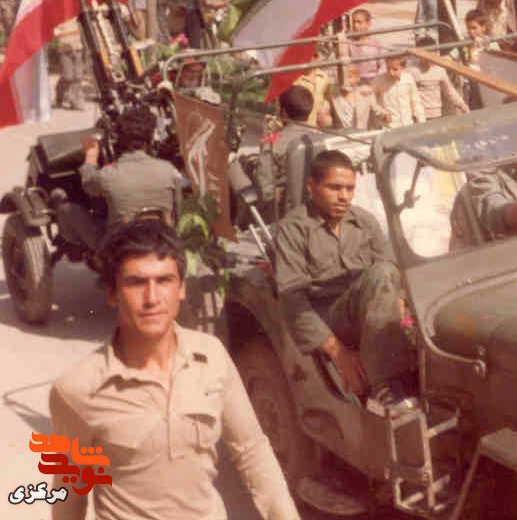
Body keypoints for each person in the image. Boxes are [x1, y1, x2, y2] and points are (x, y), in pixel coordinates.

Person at [49, 220, 299, 520]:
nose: (152, 298)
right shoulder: (77, 389)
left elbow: (252, 452)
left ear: (181, 288)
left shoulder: (211, 356)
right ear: (112, 293)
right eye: (136, 283)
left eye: (164, 280)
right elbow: (69, 495)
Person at [273, 149, 415, 404]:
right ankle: (384, 385)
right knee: (382, 274)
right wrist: (337, 352)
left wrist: (402, 307)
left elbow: (393, 268)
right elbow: (293, 300)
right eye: (335, 187)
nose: (344, 196)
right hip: (327, 319)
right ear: (311, 187)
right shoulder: (293, 230)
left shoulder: (364, 221)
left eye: (350, 188)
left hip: (370, 311)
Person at [62, 107, 184, 250]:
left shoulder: (107, 174)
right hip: (162, 243)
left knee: (68, 209)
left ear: (119, 140)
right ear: (151, 139)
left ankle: (79, 252)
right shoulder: (169, 170)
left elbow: (88, 185)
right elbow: (177, 213)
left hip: (119, 248)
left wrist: (91, 156)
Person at [254, 84, 317, 213]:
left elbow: (266, 191)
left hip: (286, 211)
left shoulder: (272, 142)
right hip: (317, 205)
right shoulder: (320, 136)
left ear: (284, 113)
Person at [408, 37, 468, 119]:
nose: (430, 58)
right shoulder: (413, 71)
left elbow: (449, 91)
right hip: (420, 114)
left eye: (433, 54)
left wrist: (462, 105)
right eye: (426, 55)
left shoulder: (439, 70)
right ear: (419, 55)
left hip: (436, 113)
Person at [370, 53, 426, 128]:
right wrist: (381, 112)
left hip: (407, 123)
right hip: (389, 126)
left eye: (395, 69)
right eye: (388, 68)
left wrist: (422, 122)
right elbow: (370, 98)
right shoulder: (379, 80)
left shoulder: (408, 78)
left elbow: (416, 101)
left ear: (403, 67)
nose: (391, 73)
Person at [54, 18, 85, 110]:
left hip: (77, 48)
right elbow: (55, 33)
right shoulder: (58, 17)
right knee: (67, 77)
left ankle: (75, 102)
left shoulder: (76, 16)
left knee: (78, 76)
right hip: (65, 51)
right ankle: (59, 95)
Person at [349, 9, 385, 85]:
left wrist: (376, 81)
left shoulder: (375, 43)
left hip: (374, 79)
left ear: (368, 24)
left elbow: (382, 65)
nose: (355, 25)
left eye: (359, 22)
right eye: (353, 22)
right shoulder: (349, 43)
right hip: (356, 80)